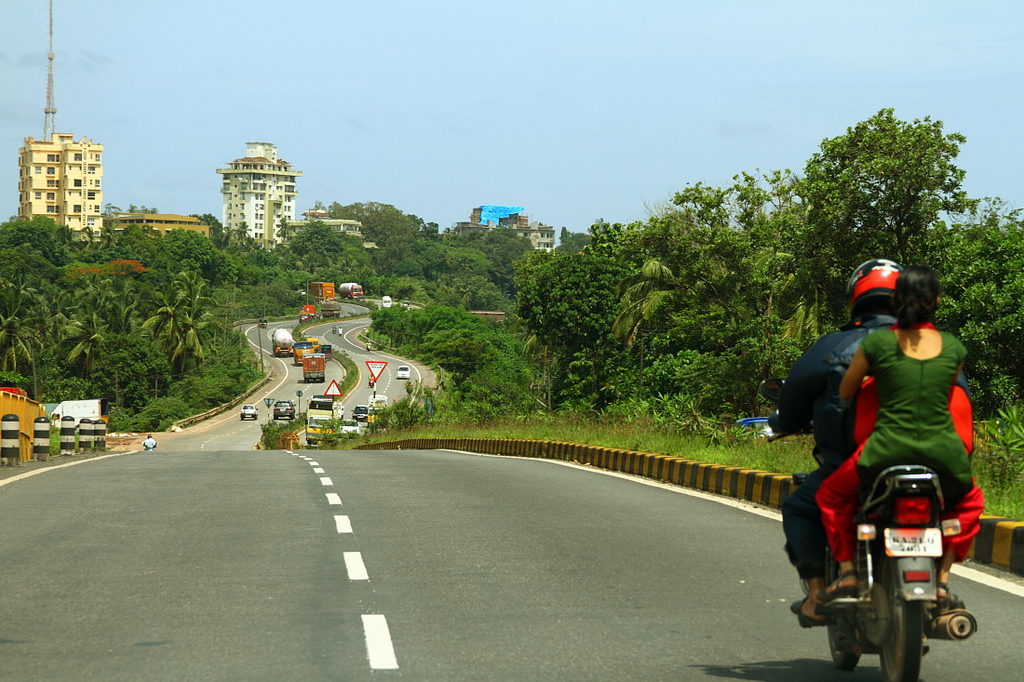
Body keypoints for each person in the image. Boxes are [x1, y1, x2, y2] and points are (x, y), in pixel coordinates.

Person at [816, 266, 984, 609]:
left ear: (895, 300)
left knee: (831, 496)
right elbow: (948, 392)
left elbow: (846, 392)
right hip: (945, 456)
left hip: (883, 452)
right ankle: (942, 581)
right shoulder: (953, 347)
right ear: (936, 301)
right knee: (971, 503)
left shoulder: (877, 343)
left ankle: (848, 572)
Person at [770, 258, 903, 628]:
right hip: (932, 465)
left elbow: (792, 406)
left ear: (855, 300)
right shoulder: (933, 346)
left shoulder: (834, 346)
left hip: (852, 465)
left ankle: (816, 594)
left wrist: (782, 424)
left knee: (800, 507)